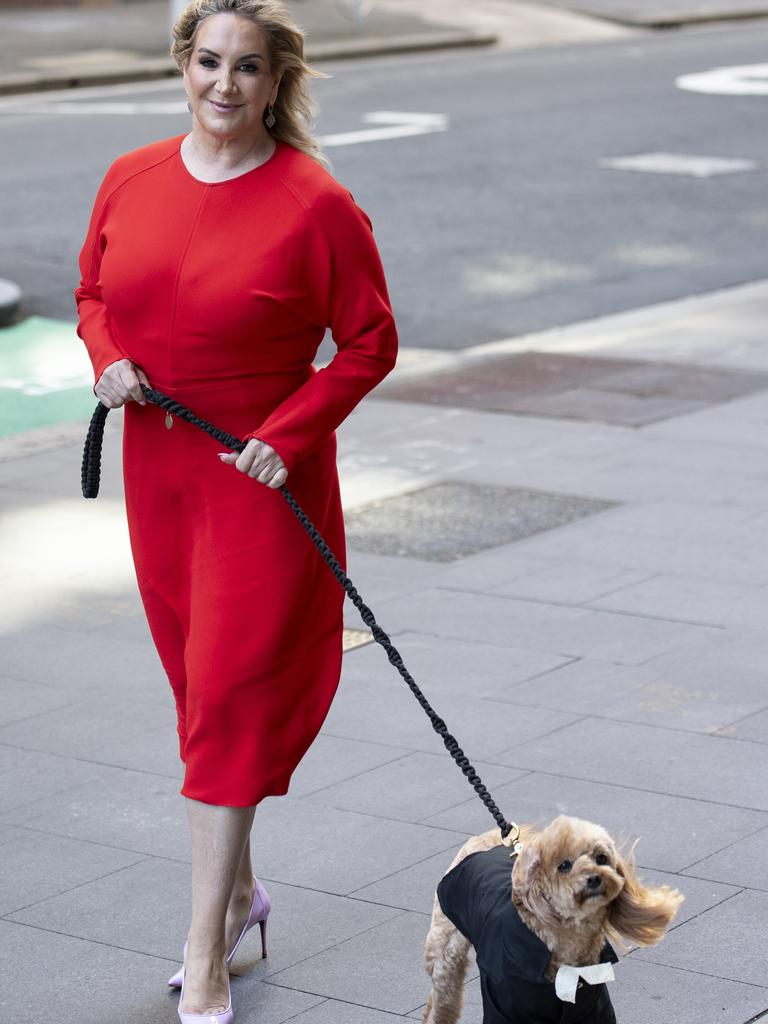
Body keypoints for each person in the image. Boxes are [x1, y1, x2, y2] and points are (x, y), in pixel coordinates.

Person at [73, 1, 398, 1019]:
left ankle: (205, 948)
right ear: (184, 63)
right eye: (208, 62)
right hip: (158, 477)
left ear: (274, 81)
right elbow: (91, 292)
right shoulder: (130, 174)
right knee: (198, 696)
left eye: (246, 68)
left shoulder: (316, 203)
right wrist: (107, 358)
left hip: (259, 484)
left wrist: (292, 429)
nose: (224, 84)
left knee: (225, 702)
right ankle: (246, 894)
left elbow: (370, 340)